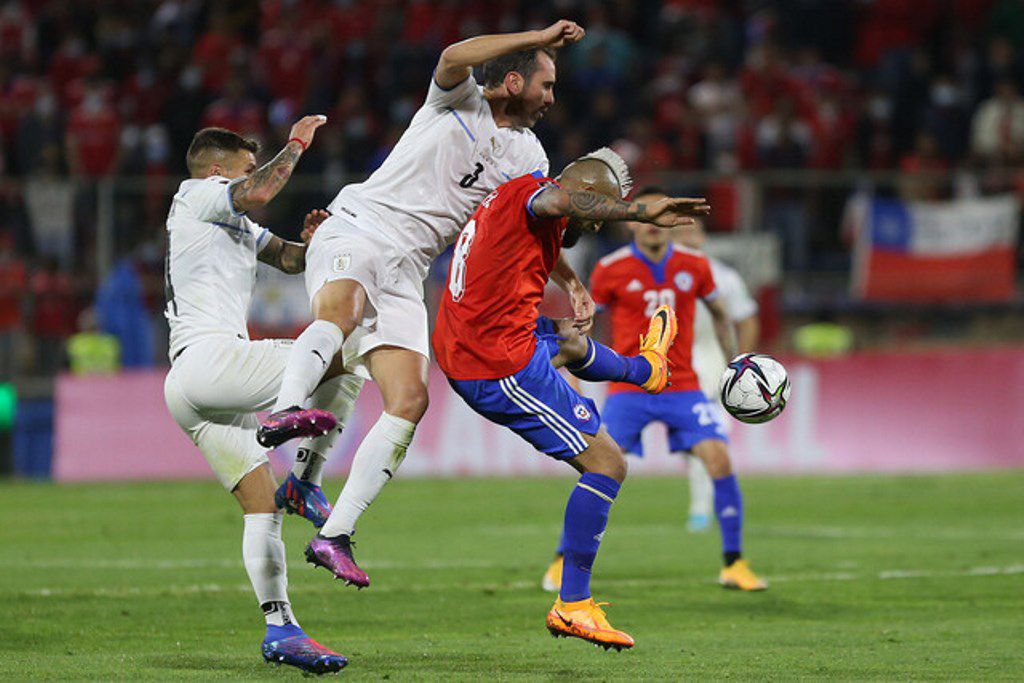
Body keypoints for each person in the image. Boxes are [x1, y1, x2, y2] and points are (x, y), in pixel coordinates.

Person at [256, 21, 595, 587]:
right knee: (338, 315)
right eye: (546, 84)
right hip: (361, 229)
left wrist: (571, 282)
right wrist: (537, 34)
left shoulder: (528, 153)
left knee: (410, 400)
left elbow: (527, 220)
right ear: (513, 80)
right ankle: (287, 410)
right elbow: (453, 53)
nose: (551, 98)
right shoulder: (456, 99)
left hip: (407, 271)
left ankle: (333, 534)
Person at [433, 149, 710, 649]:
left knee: (570, 340)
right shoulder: (544, 198)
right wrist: (639, 211)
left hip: (470, 338)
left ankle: (645, 371)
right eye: (597, 212)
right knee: (607, 463)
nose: (596, 226)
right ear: (580, 198)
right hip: (496, 363)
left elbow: (550, 213)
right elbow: (560, 202)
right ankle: (573, 605)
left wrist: (571, 281)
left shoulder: (512, 197)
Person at [162, 120, 364, 674]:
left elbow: (293, 259)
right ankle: (306, 482)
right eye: (247, 166)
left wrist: (318, 243)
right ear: (219, 170)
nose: (254, 178)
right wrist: (296, 142)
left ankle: (281, 629)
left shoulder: (236, 226)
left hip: (194, 387)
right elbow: (260, 189)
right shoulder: (196, 194)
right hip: (211, 361)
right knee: (354, 351)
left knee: (260, 508)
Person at [541, 187, 768, 593]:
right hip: (631, 388)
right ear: (633, 224)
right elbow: (587, 322)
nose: (652, 230)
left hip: (683, 385)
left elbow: (719, 314)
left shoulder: (695, 266)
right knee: (597, 465)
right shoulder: (611, 269)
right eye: (644, 220)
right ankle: (561, 560)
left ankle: (734, 563)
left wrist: (734, 362)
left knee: (719, 460)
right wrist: (578, 369)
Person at [678, 215, 760, 532]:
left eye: (694, 230)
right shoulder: (663, 274)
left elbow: (747, 318)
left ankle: (704, 508)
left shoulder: (723, 276)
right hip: (680, 363)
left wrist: (742, 364)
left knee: (712, 437)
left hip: (714, 364)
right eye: (682, 230)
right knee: (695, 442)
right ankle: (706, 504)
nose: (689, 235)